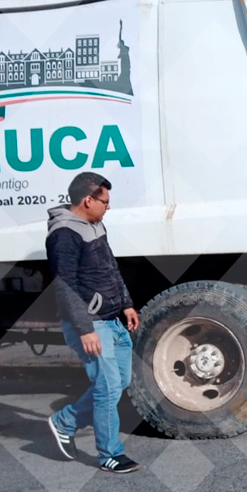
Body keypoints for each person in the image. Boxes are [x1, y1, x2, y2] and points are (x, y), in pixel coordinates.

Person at [46, 172, 142, 472]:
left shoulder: (94, 224)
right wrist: (84, 329)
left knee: (120, 382)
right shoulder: (63, 234)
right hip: (90, 323)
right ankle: (109, 454)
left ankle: (64, 421)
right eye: (105, 201)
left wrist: (126, 304)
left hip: (111, 318)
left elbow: (109, 267)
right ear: (88, 200)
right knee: (107, 387)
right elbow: (65, 284)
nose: (108, 207)